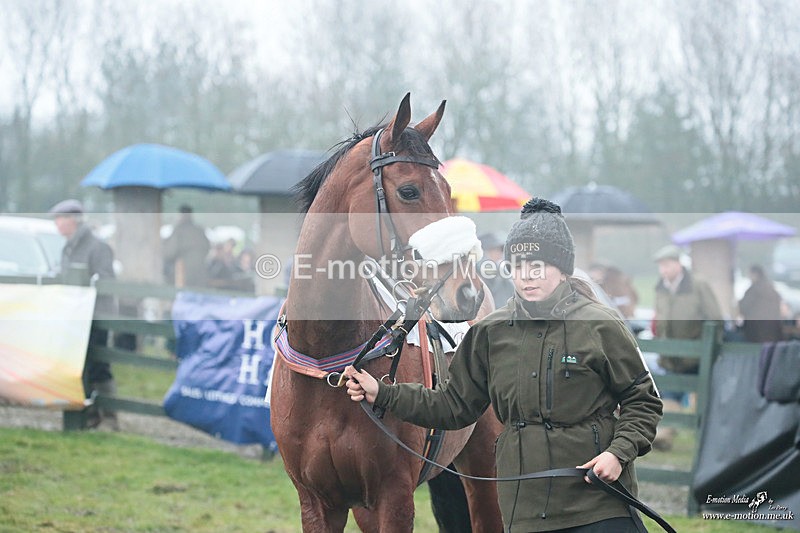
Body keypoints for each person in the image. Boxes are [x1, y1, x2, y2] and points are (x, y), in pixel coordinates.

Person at [344, 198, 662, 532]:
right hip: (525, 513)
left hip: (598, 504)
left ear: (563, 269)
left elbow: (643, 401)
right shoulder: (489, 333)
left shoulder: (600, 325)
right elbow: (452, 406)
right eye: (518, 265)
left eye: (539, 265)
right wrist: (384, 393)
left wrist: (618, 453)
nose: (528, 276)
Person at [50, 199, 118, 430]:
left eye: (60, 218)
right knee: (80, 366)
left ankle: (110, 417)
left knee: (99, 366)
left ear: (73, 220)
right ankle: (89, 414)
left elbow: (106, 281)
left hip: (96, 316)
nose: (57, 223)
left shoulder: (97, 247)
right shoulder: (68, 247)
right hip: (75, 317)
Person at [163, 205, 210, 288]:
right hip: (200, 273)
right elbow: (207, 248)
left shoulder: (179, 230)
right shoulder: (199, 230)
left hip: (184, 273)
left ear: (181, 215)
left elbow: (170, 252)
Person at [738, 264, 784, 343]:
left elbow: (743, 308)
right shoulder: (772, 291)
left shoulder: (753, 291)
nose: (749, 277)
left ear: (755, 274)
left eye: (750, 274)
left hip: (755, 332)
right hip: (772, 333)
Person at [478, 231, 515, 306]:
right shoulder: (473, 278)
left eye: (501, 250)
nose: (499, 254)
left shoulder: (506, 281)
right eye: (494, 250)